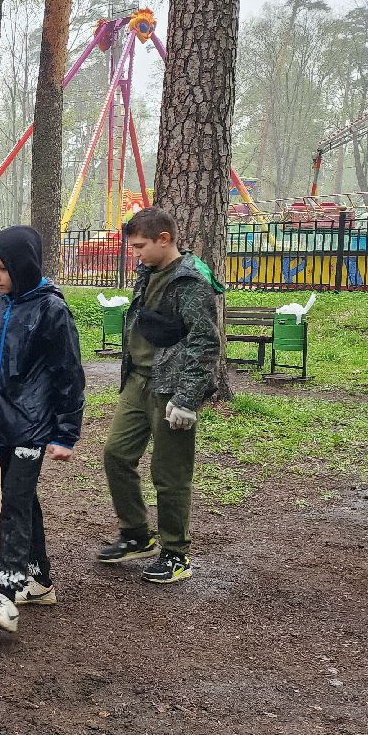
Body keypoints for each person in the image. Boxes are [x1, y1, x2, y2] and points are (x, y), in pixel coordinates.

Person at [0, 226, 85, 633]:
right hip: (1, 426)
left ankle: (5, 595)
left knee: (13, 502)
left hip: (35, 427)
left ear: (24, 265)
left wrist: (65, 433)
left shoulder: (52, 311)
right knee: (24, 501)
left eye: (3, 269)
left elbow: (69, 375)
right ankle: (40, 580)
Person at [99, 207, 222, 584]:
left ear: (164, 239)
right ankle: (137, 534)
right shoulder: (147, 271)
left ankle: (175, 552)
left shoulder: (190, 281)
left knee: (169, 474)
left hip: (171, 388)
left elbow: (204, 342)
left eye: (139, 246)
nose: (134, 254)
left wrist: (187, 399)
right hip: (138, 381)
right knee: (116, 454)